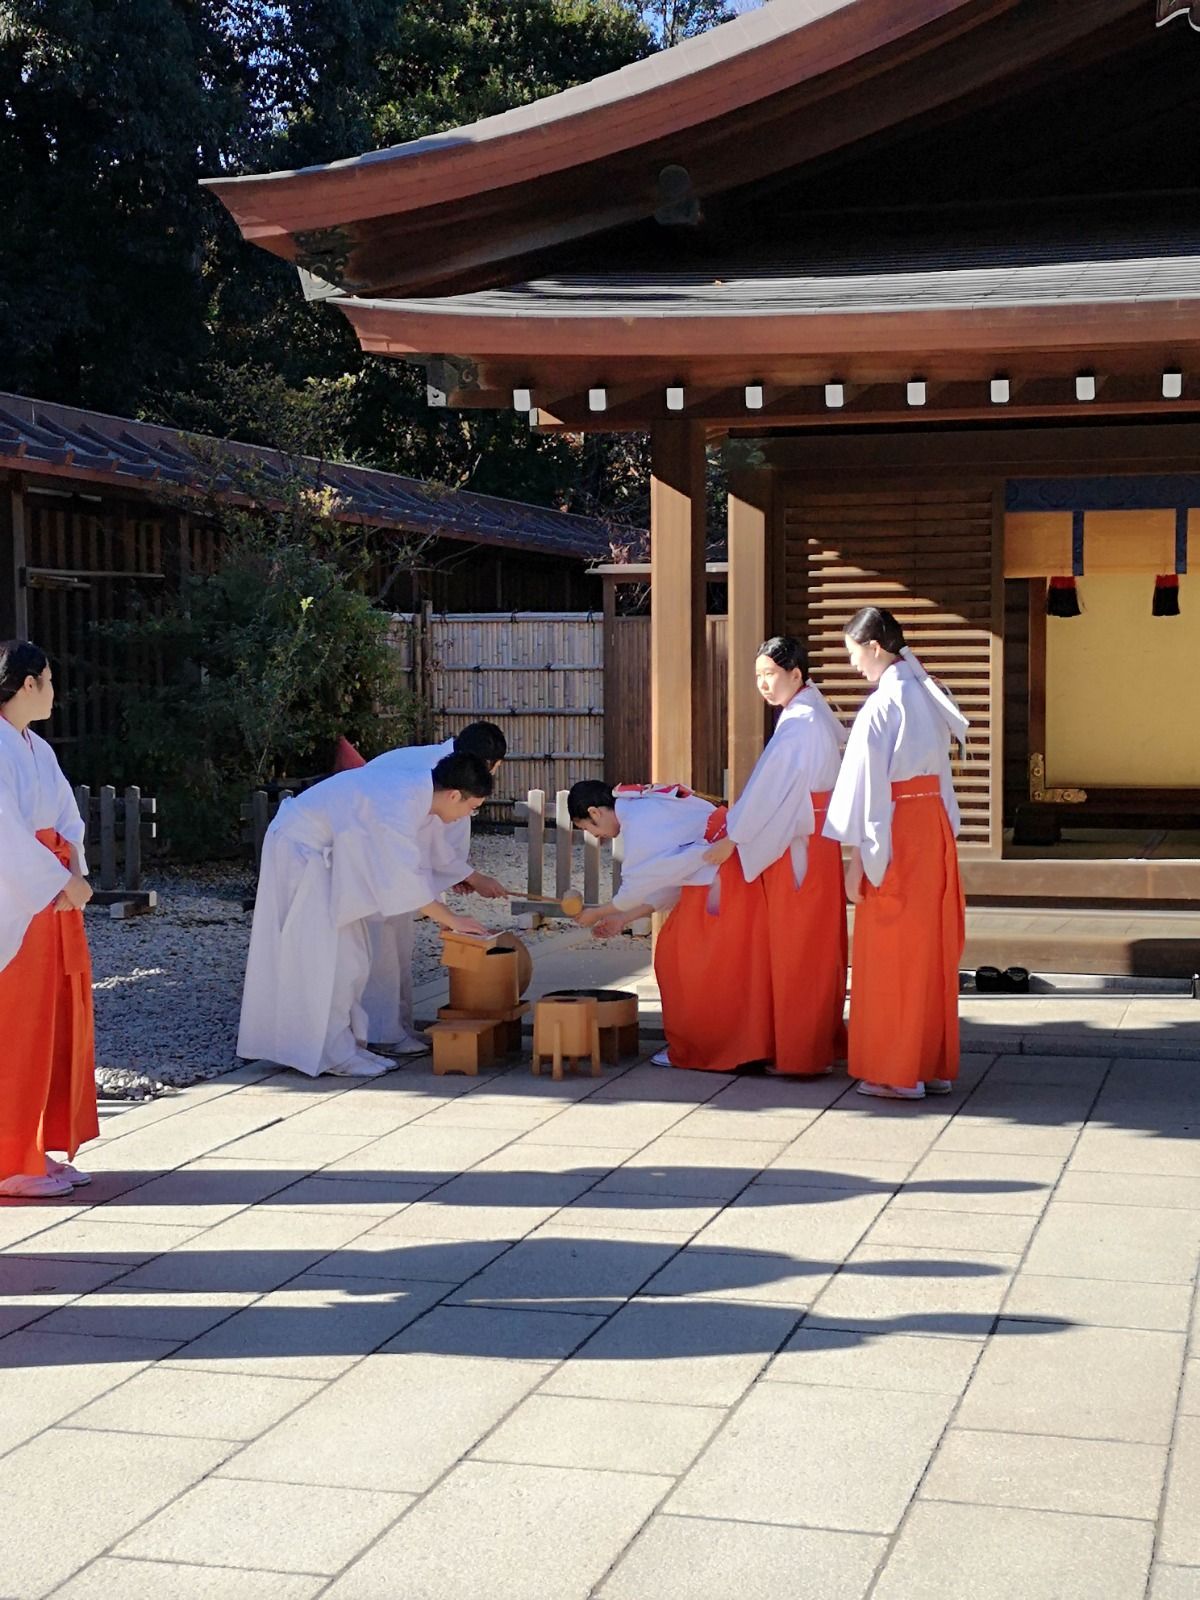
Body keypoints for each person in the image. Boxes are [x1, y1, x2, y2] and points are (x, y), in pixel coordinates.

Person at [237, 751, 491, 1079]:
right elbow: (402, 878)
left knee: (353, 958)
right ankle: (329, 1053)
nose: (465, 816)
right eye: (471, 808)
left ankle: (343, 1045)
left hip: (325, 859)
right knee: (328, 959)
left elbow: (411, 863)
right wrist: (452, 920)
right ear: (455, 795)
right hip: (303, 854)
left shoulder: (418, 796)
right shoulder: (400, 801)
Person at [823, 607, 968, 1100]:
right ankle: (931, 1064)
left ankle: (897, 1070)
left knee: (890, 952)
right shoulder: (927, 694)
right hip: (931, 829)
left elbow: (867, 792)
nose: (853, 665)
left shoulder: (884, 705)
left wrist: (858, 860)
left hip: (898, 828)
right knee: (928, 949)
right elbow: (943, 783)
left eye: (854, 653)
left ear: (875, 648)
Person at [705, 635, 849, 1076]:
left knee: (796, 950)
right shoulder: (812, 713)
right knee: (815, 948)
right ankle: (812, 1046)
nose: (764, 684)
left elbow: (769, 791)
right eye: (758, 676)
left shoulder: (800, 723)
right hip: (817, 839)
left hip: (799, 841)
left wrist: (737, 832)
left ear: (796, 675)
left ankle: (800, 1053)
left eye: (771, 674)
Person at [568, 779, 772, 1072]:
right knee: (700, 959)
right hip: (718, 873)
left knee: (692, 960)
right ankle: (736, 1046)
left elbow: (638, 884)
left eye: (590, 829)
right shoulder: (642, 805)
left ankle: (710, 1049)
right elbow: (668, 878)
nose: (597, 836)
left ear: (595, 812)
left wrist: (598, 912)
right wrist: (622, 918)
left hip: (719, 878)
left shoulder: (639, 819)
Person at [0, 641, 99, 1199]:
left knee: (55, 1019)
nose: (56, 692)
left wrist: (72, 877)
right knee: (17, 1025)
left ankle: (36, 1147)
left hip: (49, 894)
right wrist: (61, 880)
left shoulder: (35, 747)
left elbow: (68, 816)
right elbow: (4, 832)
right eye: (50, 680)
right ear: (27, 684)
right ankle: (10, 1156)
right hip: (18, 897)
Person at [359, 722, 509, 1054]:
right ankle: (382, 1034)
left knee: (398, 948)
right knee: (381, 950)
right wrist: (455, 900)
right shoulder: (432, 776)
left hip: (389, 857)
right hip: (371, 857)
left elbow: (434, 842)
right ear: (490, 765)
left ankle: (398, 1027)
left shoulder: (442, 770)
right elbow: (422, 847)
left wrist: (465, 876)